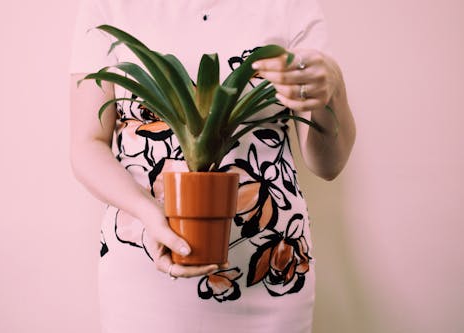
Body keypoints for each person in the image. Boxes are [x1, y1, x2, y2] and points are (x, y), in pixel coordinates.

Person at [69, 0, 356, 332]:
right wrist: (148, 213)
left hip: (269, 268)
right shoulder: (109, 5)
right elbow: (86, 145)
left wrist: (333, 87)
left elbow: (327, 164)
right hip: (145, 262)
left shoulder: (290, 6)